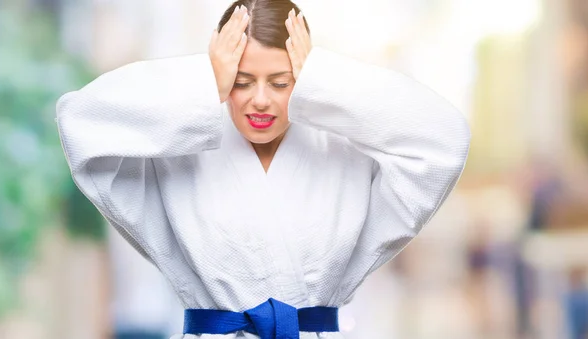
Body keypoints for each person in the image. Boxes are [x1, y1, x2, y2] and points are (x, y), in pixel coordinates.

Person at [55, 0, 471, 337]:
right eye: (240, 81)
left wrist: (327, 81)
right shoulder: (179, 153)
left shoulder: (346, 153)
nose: (259, 100)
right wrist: (202, 83)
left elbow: (445, 138)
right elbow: (80, 123)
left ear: (305, 80)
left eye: (280, 82)